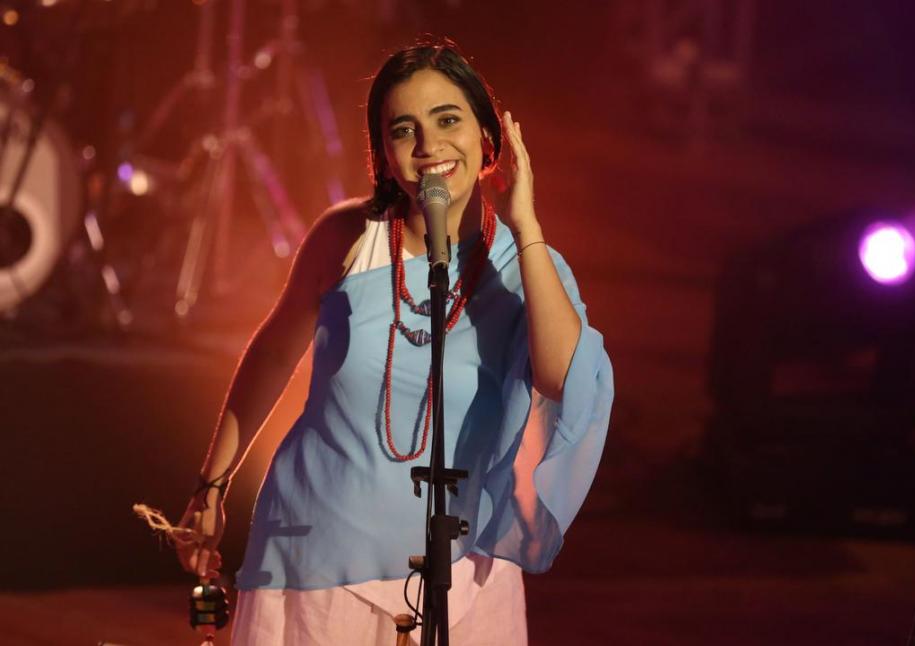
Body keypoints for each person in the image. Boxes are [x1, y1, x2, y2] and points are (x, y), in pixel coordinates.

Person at [176, 38, 613, 645]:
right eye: (404, 130)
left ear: (488, 137)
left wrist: (527, 224)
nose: (429, 145)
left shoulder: (525, 265)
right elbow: (274, 352)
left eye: (448, 120)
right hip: (317, 562)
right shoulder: (348, 238)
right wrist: (212, 484)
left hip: (465, 576)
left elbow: (564, 377)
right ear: (383, 153)